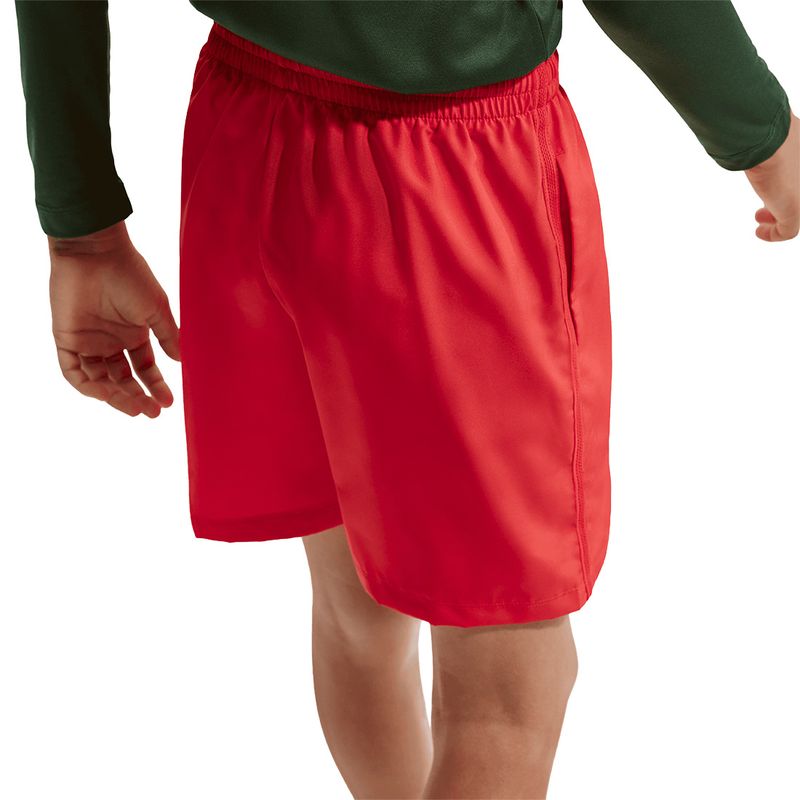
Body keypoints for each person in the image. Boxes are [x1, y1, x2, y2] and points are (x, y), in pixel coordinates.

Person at [14, 1, 798, 797]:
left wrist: (83, 230)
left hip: (250, 132)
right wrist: (764, 135)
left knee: (359, 607)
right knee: (506, 674)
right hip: (452, 165)